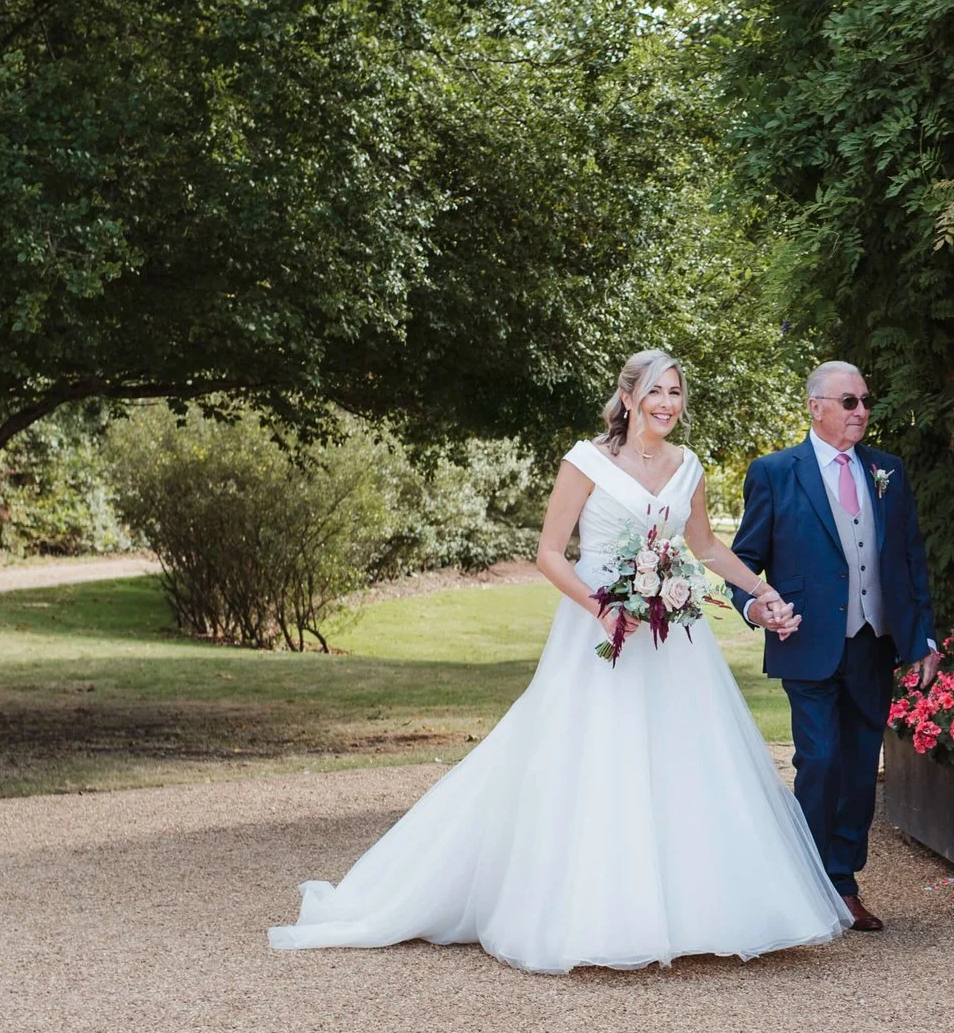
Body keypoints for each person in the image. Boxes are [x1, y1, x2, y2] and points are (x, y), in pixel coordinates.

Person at [268, 350, 850, 973]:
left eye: (677, 393)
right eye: (657, 391)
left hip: (671, 636)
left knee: (685, 759)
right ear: (628, 397)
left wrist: (760, 592)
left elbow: (702, 545)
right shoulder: (586, 461)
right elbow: (549, 552)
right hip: (597, 630)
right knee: (590, 758)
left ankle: (695, 913)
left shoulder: (689, 468)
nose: (668, 404)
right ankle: (592, 914)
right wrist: (600, 607)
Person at [730, 362, 938, 931]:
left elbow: (910, 560)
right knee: (819, 760)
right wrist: (757, 607)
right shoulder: (775, 473)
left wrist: (922, 639)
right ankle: (803, 880)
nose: (861, 411)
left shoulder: (887, 472)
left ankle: (843, 883)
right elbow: (743, 561)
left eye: (865, 400)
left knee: (856, 769)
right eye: (849, 402)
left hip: (874, 642)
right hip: (807, 639)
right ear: (815, 406)